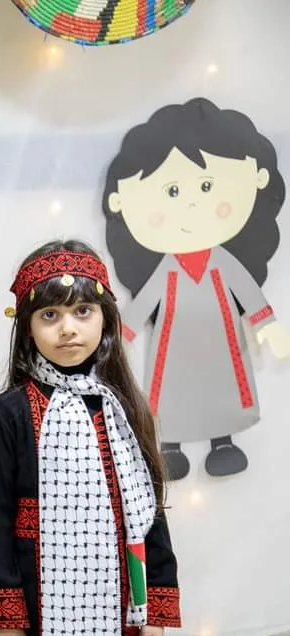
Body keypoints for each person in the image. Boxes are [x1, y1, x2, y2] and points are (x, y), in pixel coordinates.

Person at [0, 239, 181, 636]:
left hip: (115, 604)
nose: (68, 328)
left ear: (105, 319)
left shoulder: (124, 409)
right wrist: (7, 625)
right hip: (36, 608)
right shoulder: (8, 414)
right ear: (27, 327)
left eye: (82, 311)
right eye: (50, 315)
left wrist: (153, 610)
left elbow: (147, 516)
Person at [103, 97, 290, 478]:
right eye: (172, 191)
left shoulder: (224, 262)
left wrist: (267, 326)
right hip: (173, 349)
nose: (190, 206)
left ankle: (223, 443)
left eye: (207, 186)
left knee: (222, 389)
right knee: (173, 394)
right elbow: (145, 303)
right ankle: (171, 448)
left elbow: (248, 293)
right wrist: (119, 336)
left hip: (223, 344)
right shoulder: (167, 269)